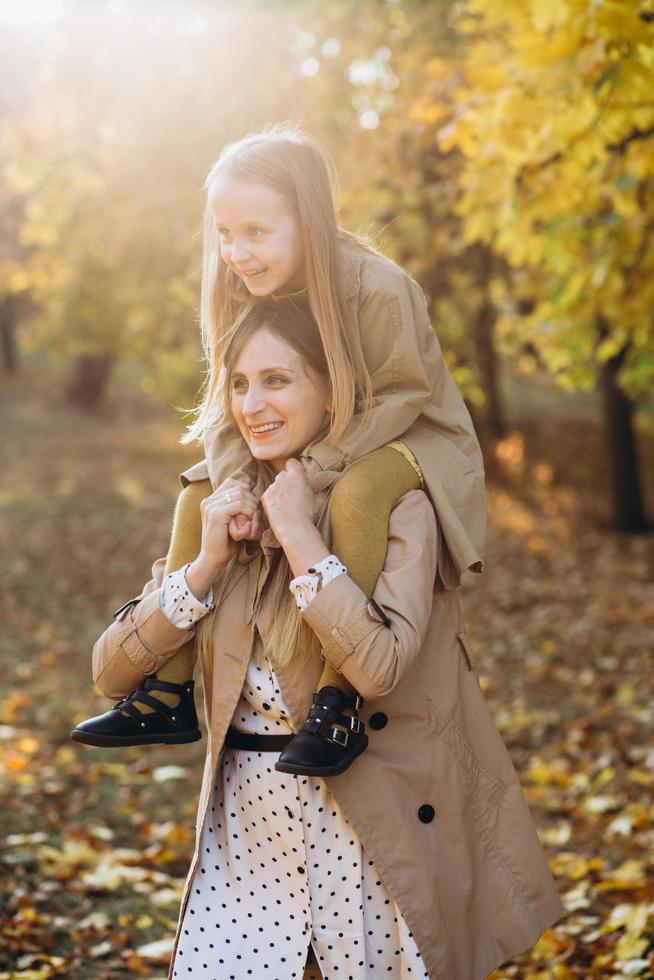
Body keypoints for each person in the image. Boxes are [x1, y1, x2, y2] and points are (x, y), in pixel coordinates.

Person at [83, 299, 564, 979]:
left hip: (361, 826)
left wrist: (305, 541)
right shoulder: (219, 507)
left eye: (278, 380)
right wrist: (203, 568)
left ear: (333, 388)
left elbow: (379, 667)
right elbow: (109, 674)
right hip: (246, 831)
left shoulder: (396, 504)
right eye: (240, 383)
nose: (253, 404)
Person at [71, 121, 486, 778]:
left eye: (256, 233)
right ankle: (168, 692)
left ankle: (338, 700)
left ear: (310, 221)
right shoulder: (241, 286)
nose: (236, 250)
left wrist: (311, 472)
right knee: (201, 493)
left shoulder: (374, 287)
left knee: (356, 494)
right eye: (224, 232)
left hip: (408, 437)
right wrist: (236, 483)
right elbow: (225, 405)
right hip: (329, 436)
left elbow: (400, 396)